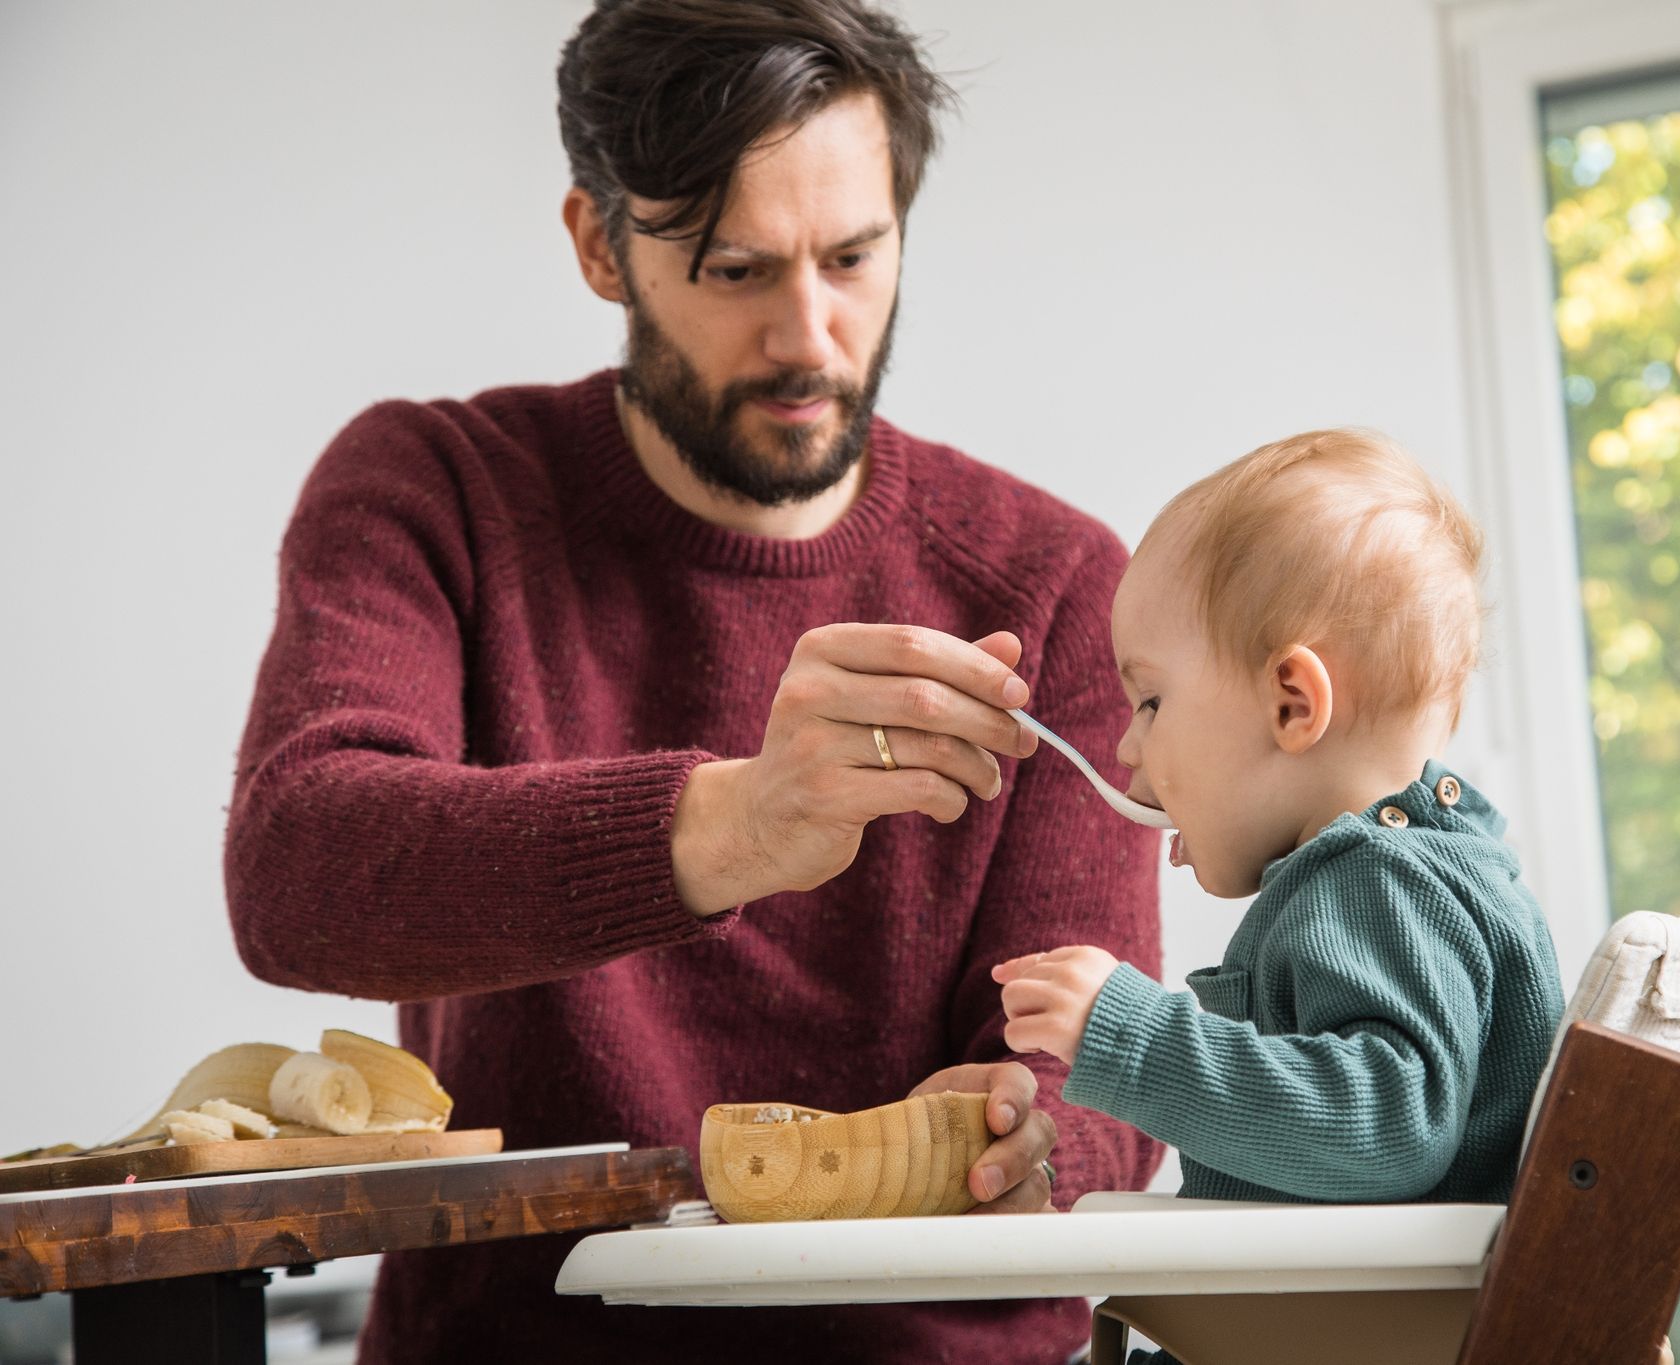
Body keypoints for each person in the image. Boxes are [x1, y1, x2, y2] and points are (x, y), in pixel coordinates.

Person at [223, 3, 1161, 1361]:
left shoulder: (1057, 580)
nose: (809, 336)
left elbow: (1091, 1063)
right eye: (736, 269)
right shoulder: (433, 491)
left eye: (855, 256)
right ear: (602, 245)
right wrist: (741, 823)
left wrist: (1043, 1138)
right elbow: (297, 870)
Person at [995, 428, 1565, 1219]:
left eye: (1151, 702)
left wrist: (1138, 1037)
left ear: (1292, 703)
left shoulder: (1383, 880)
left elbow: (1392, 1129)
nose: (1126, 747)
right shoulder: (1412, 870)